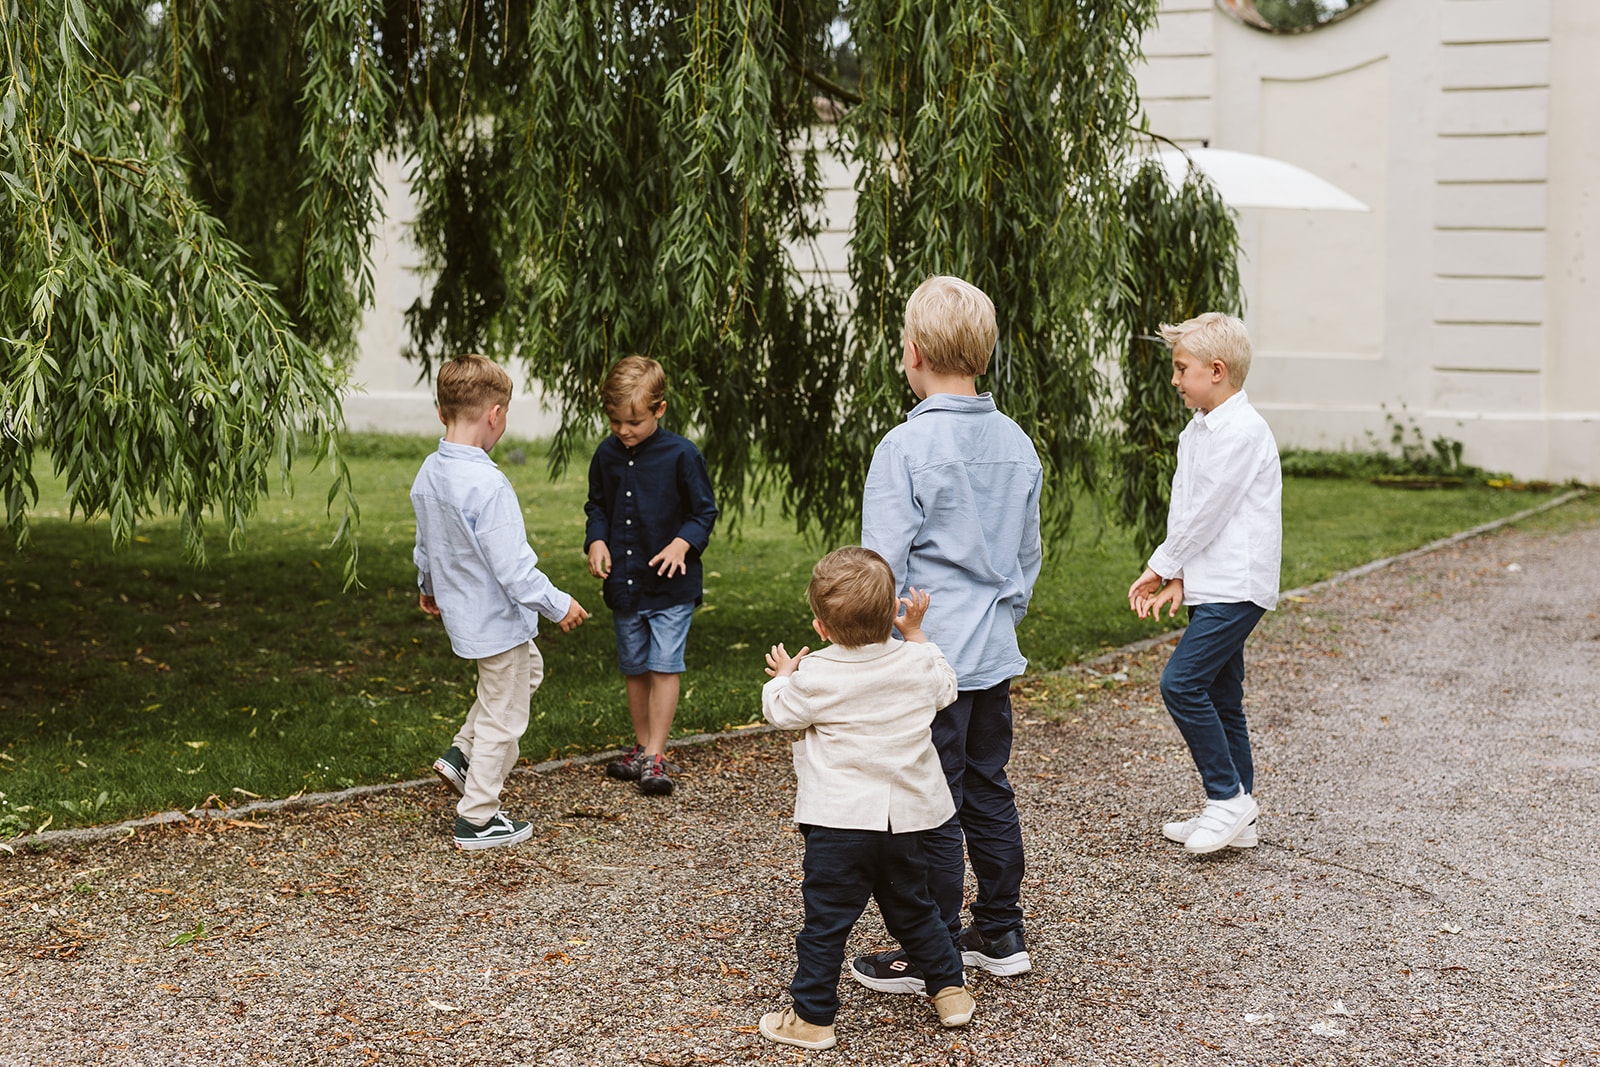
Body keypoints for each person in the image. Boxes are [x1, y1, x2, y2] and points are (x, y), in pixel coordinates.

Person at [852, 275, 1044, 995]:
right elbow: (1026, 555)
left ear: (914, 352)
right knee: (987, 787)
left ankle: (931, 949)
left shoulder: (904, 447)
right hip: (991, 653)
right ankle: (1000, 927)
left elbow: (882, 565)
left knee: (929, 803)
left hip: (928, 658)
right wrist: (1004, 615)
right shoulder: (1018, 444)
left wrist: (876, 652)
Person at [757, 547, 975, 1050]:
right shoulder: (916, 660)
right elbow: (946, 687)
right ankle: (950, 991)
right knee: (913, 906)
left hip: (840, 823)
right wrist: (916, 633)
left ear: (821, 628)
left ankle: (812, 1019)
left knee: (827, 923)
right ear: (891, 612)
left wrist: (783, 677)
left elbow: (782, 714)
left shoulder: (816, 677)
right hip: (908, 820)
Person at [414, 354, 589, 850]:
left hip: (467, 618)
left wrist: (427, 585)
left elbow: (425, 542)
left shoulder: (430, 471)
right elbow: (514, 569)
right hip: (496, 620)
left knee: (524, 674)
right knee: (505, 716)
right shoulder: (488, 484)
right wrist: (558, 604)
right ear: (494, 414)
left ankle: (463, 754)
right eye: (505, 416)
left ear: (442, 412)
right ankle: (478, 816)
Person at [1127, 312, 1281, 853]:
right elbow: (1188, 509)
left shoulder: (1241, 431)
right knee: (1221, 695)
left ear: (1216, 371)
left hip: (1238, 585)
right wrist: (1182, 576)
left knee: (1181, 684)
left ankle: (1226, 799)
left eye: (1181, 368)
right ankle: (1241, 812)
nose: (1174, 379)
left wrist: (1162, 565)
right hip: (1213, 582)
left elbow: (1209, 512)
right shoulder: (1199, 430)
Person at [584, 356, 718, 796]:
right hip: (625, 582)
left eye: (635, 421)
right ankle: (641, 747)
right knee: (635, 667)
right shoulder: (605, 455)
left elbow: (703, 511)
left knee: (664, 665)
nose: (624, 430)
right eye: (616, 421)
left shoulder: (682, 454)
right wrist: (596, 541)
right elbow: (597, 506)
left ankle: (656, 754)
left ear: (659, 410)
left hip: (671, 587)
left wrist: (683, 544)